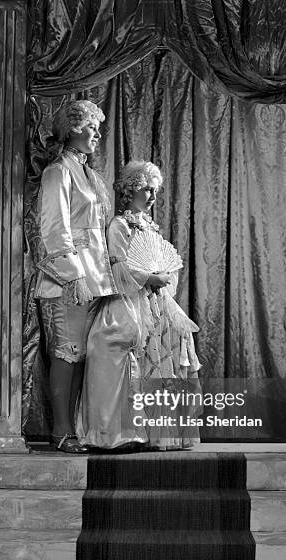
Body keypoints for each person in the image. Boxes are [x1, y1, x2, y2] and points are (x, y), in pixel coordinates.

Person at [77, 161, 201, 450]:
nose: (152, 196)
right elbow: (118, 269)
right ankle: (124, 432)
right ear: (131, 188)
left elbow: (164, 263)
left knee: (175, 346)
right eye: (147, 189)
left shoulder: (151, 226)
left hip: (155, 302)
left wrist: (165, 278)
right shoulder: (119, 226)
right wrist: (149, 277)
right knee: (123, 349)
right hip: (128, 300)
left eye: (155, 190)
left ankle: (161, 433)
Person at [35, 100, 117, 453]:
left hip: (96, 278)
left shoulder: (91, 176)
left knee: (84, 355)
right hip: (68, 280)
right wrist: (73, 276)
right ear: (72, 130)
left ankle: (78, 429)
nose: (97, 134)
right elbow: (54, 228)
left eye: (98, 128)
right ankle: (62, 432)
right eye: (91, 127)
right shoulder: (58, 172)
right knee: (67, 353)